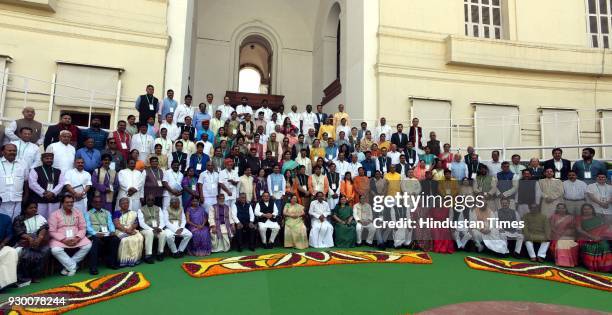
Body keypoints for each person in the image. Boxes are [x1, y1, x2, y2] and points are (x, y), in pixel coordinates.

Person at [48, 195, 92, 276]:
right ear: (62, 203)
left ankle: (67, 267)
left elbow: (83, 227)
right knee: (55, 250)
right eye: (67, 202)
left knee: (88, 245)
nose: (70, 204)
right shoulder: (54, 214)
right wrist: (64, 240)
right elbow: (52, 231)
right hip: (61, 239)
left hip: (76, 237)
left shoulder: (78, 212)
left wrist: (77, 238)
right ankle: (73, 266)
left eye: (71, 202)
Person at [12, 203, 50, 284]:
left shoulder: (40, 217)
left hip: (38, 242)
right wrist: (29, 238)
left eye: (35, 207)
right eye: (31, 208)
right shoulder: (19, 219)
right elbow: (19, 232)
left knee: (46, 250)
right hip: (23, 242)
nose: (34, 209)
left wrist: (39, 239)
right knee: (26, 254)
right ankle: (24, 277)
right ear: (25, 209)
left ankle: (35, 276)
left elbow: (44, 228)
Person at [84, 196, 119, 274]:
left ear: (102, 203)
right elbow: (87, 226)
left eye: (99, 202)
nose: (98, 203)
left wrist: (112, 231)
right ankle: (93, 267)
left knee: (115, 239)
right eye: (96, 202)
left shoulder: (107, 212)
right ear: (92, 203)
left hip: (106, 234)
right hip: (94, 234)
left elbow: (110, 223)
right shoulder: (88, 213)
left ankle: (111, 263)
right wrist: (95, 233)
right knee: (95, 241)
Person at [575, 203, 612, 272]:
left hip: (602, 236)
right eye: (585, 209)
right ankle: (604, 267)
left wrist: (602, 235)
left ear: (592, 210)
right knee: (604, 245)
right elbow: (579, 230)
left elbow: (605, 227)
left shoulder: (597, 217)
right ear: (582, 210)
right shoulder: (579, 218)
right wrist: (592, 236)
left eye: (589, 209)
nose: (587, 210)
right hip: (587, 237)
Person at [28, 153, 64, 219]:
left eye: (51, 159)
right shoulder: (35, 170)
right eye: (47, 158)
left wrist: (53, 193)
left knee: (53, 219)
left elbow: (61, 184)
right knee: (40, 219)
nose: (49, 160)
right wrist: (44, 193)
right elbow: (32, 184)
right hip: (40, 199)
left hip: (54, 199)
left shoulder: (58, 171)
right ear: (42, 159)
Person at [113, 197, 144, 267]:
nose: (125, 205)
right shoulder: (117, 213)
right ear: (119, 205)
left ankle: (134, 260)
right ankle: (123, 260)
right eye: (123, 203)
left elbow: (136, 223)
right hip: (120, 230)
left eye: (127, 203)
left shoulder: (133, 213)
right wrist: (127, 231)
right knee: (125, 240)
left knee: (139, 237)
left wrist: (131, 229)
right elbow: (117, 225)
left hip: (131, 229)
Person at [0, 144, 27, 219]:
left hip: (17, 199)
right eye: (9, 150)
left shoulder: (22, 163)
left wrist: (26, 195)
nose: (12, 152)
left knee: (15, 220)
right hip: (1, 199)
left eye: (14, 151)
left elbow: (26, 181)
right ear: (3, 152)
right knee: (2, 222)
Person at [138, 195, 167, 263]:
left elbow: (162, 220)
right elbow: (141, 223)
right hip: (145, 229)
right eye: (148, 199)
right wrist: (151, 229)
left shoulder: (158, 208)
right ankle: (148, 255)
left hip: (157, 228)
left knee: (163, 233)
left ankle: (160, 253)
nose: (150, 201)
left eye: (152, 200)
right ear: (146, 200)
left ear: (154, 201)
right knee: (150, 233)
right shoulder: (141, 209)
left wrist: (159, 228)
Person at [549, 203, 579, 267]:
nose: (561, 209)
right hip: (555, 235)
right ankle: (562, 262)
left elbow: (573, 229)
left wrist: (567, 233)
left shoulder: (570, 217)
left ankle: (568, 262)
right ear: (557, 209)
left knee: (566, 241)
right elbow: (551, 227)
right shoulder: (553, 216)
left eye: (563, 208)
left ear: (566, 209)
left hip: (567, 235)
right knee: (561, 241)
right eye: (559, 208)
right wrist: (558, 234)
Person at [0, 211, 17, 289]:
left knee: (11, 252)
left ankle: (6, 283)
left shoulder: (6, 218)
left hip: (1, 245)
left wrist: (3, 243)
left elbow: (10, 234)